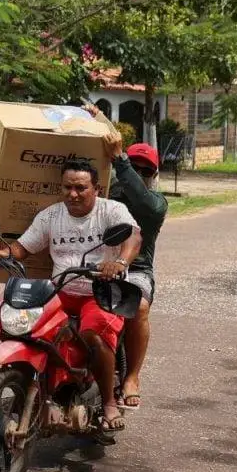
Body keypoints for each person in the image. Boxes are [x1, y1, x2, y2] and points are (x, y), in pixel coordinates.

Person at [0, 158, 143, 432]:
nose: (73, 194)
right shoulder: (51, 216)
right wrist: (4, 253)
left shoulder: (112, 211)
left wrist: (119, 262)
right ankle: (45, 386)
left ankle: (108, 402)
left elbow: (133, 238)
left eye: (81, 188)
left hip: (100, 291)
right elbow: (24, 246)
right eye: (67, 187)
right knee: (29, 330)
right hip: (60, 290)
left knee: (94, 334)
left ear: (96, 189)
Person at [98, 129, 167, 412]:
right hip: (92, 265)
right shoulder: (103, 195)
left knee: (138, 306)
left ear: (153, 175)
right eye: (134, 167)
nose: (139, 174)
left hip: (135, 270)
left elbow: (140, 198)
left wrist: (120, 160)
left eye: (145, 171)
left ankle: (132, 377)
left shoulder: (155, 204)